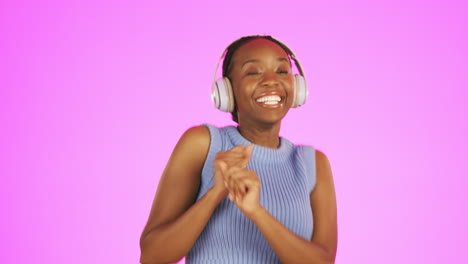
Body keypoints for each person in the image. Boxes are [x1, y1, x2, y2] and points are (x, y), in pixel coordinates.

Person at [139, 35, 338, 264]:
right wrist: (215, 193)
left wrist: (256, 212)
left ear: (298, 87)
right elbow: (153, 255)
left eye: (282, 71)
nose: (271, 81)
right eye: (253, 72)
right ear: (227, 91)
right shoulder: (203, 144)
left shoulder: (312, 163)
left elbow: (322, 261)